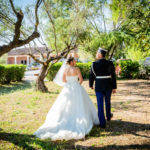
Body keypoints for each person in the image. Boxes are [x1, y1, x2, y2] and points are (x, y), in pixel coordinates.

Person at [34, 57, 99, 140]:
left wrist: (69, 83)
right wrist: (77, 84)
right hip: (76, 87)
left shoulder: (65, 70)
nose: (75, 61)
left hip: (67, 88)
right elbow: (81, 79)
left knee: (65, 104)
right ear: (71, 62)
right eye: (74, 60)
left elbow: (63, 80)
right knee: (80, 104)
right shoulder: (77, 69)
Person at [89, 48, 117, 128]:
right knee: (107, 101)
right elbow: (113, 76)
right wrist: (114, 87)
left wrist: (91, 84)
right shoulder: (110, 63)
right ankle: (108, 116)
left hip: (99, 86)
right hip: (108, 85)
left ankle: (102, 123)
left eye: (97, 53)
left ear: (101, 54)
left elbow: (91, 75)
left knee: (100, 104)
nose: (96, 54)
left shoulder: (94, 64)